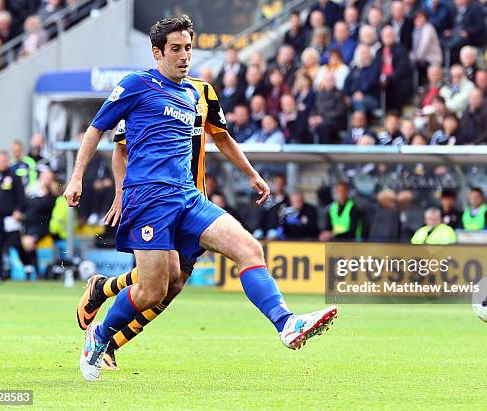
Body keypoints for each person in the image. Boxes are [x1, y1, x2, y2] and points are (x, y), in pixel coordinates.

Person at [66, 16, 337, 381]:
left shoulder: (195, 94)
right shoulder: (136, 85)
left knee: (248, 249)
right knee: (152, 290)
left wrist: (252, 174)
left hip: (189, 198)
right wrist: (77, 176)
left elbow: (220, 139)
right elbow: (97, 130)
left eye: (188, 48)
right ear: (157, 52)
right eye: (175, 49)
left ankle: (286, 323)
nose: (184, 56)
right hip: (148, 199)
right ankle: (99, 336)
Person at [0, 150, 32, 281]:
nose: (1, 163)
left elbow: (21, 196)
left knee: (16, 243)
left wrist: (18, 210)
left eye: (4, 160)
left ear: (7, 161)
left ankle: (27, 266)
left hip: (10, 217)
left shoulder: (14, 176)